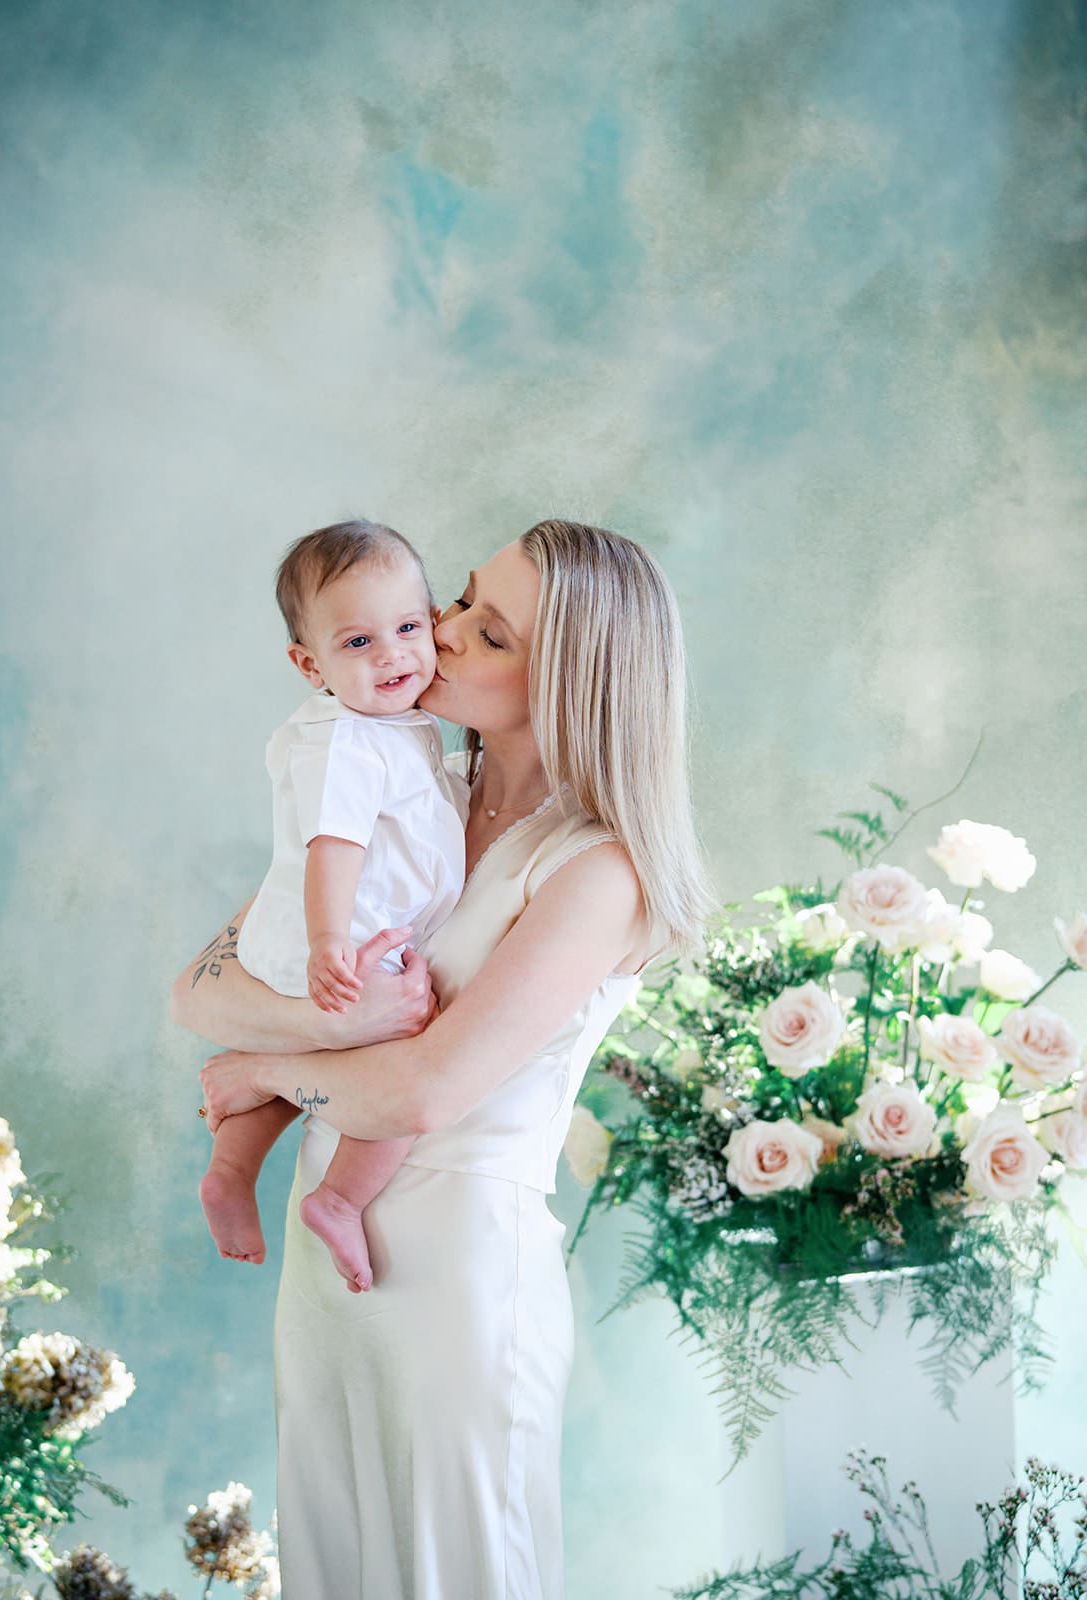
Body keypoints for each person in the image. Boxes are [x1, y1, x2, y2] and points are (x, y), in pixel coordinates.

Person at [171, 519, 720, 1600]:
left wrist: (267, 1069)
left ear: (568, 680)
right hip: (328, 1270)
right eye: (462, 599)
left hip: (459, 1279)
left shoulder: (596, 869)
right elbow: (197, 989)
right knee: (337, 1564)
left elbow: (428, 1085)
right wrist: (326, 1031)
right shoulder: (401, 775)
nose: (443, 633)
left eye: (492, 631)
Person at [198, 519, 467, 1289]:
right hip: (342, 942)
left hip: (327, 935)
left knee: (315, 1064)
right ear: (307, 663)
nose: (391, 654)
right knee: (393, 1065)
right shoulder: (349, 741)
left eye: (409, 626)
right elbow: (333, 846)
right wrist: (328, 945)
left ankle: (231, 1168)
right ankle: (342, 1200)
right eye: (357, 643)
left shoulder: (384, 725)